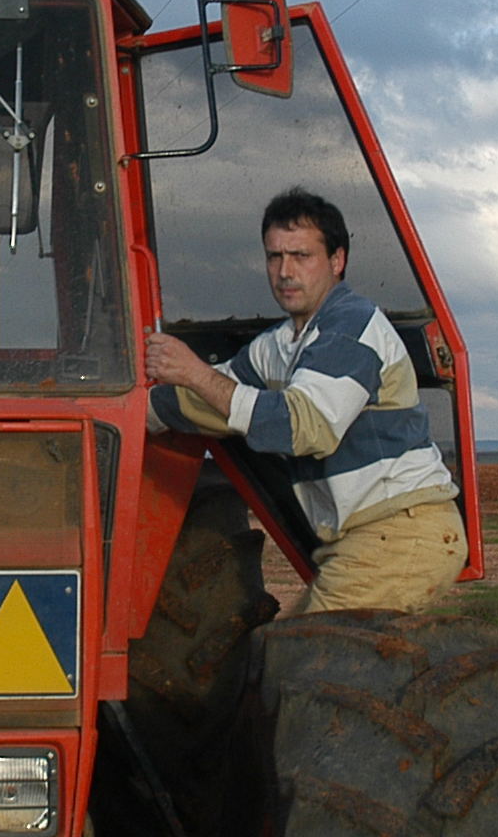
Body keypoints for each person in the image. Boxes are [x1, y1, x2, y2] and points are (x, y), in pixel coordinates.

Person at [143, 188, 468, 614]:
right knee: (283, 659)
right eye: (274, 257)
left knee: (301, 668)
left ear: (337, 261)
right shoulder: (278, 345)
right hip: (362, 541)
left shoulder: (349, 328)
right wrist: (133, 414)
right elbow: (214, 400)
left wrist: (193, 372)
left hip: (399, 533)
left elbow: (304, 428)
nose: (284, 271)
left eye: (301, 256)